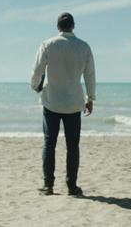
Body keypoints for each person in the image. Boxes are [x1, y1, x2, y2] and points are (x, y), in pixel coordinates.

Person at [30, 12, 96, 196]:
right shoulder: (84, 47)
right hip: (74, 103)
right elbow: (89, 74)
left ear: (58, 27)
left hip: (51, 101)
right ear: (73, 26)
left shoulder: (48, 44)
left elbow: (37, 70)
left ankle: (48, 185)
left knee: (49, 143)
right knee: (72, 146)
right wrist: (90, 98)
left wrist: (35, 86)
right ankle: (72, 186)